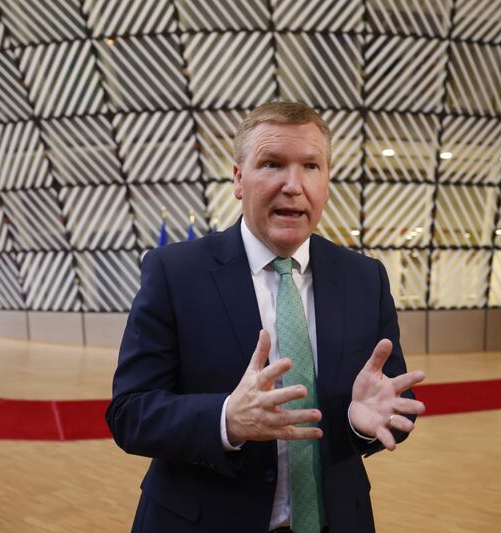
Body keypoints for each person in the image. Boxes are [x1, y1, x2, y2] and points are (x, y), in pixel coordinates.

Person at [106, 101, 426, 533]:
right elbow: (130, 413)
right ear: (239, 179)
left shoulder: (365, 279)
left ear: (327, 180)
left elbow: (390, 405)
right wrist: (226, 420)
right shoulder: (174, 273)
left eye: (311, 166)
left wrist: (361, 425)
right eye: (272, 164)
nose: (294, 185)